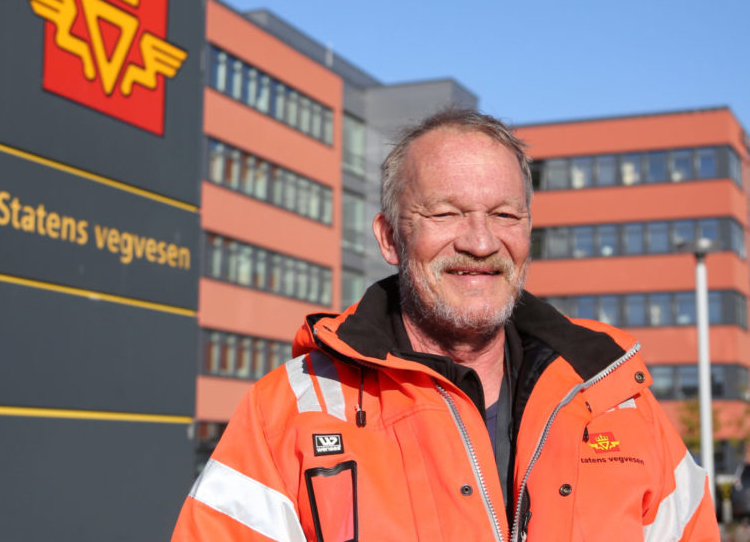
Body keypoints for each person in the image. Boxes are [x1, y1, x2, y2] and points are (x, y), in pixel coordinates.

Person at [172, 108, 720, 541]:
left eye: (505, 214)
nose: (481, 242)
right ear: (390, 238)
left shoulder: (618, 400)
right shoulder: (287, 414)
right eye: (446, 213)